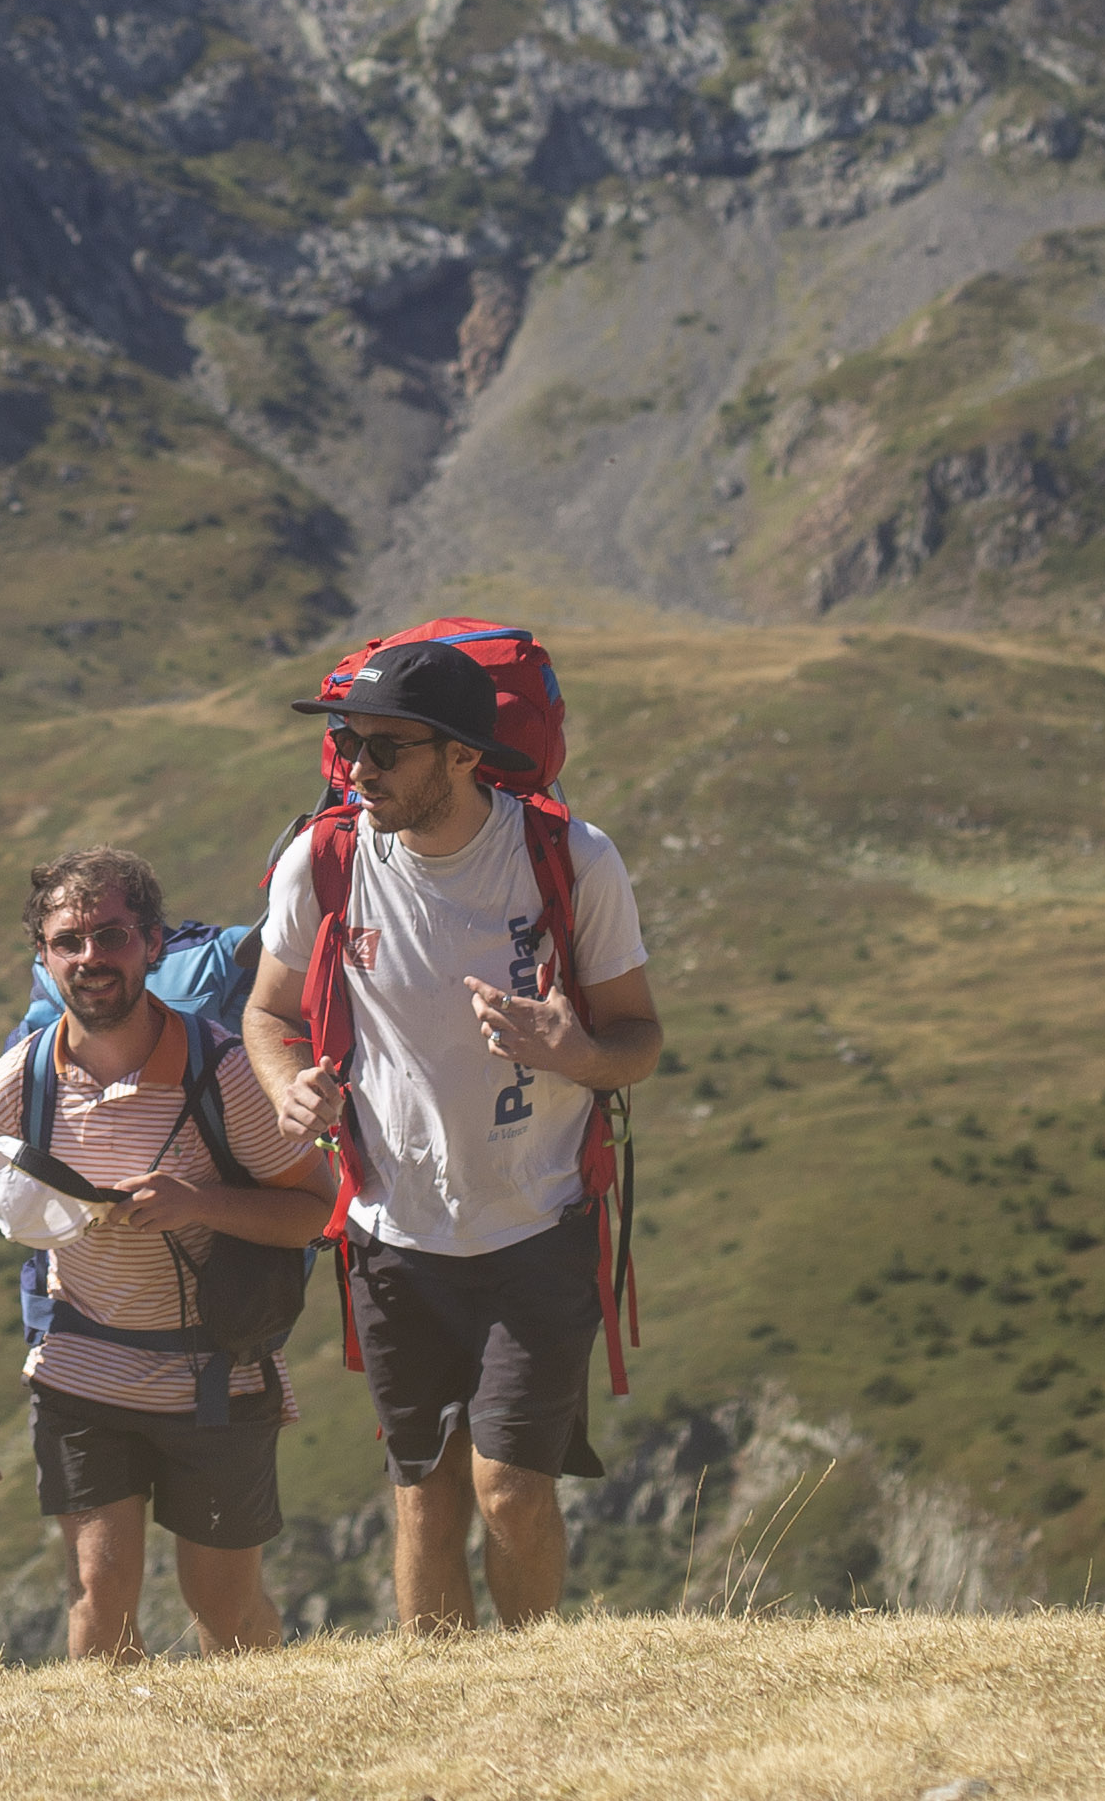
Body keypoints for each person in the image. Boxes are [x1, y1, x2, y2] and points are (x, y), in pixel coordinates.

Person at [238, 636, 661, 1635]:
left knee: (510, 1489)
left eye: (386, 748)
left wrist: (576, 1052)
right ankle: (444, 1703)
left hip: (539, 1224)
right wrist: (290, 1087)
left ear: (466, 755)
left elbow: (638, 1040)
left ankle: (531, 1683)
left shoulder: (571, 860)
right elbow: (268, 1014)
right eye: (348, 744)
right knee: (425, 1499)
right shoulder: (324, 860)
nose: (357, 768)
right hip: (394, 1235)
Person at [0, 847, 333, 1661]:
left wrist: (199, 1204)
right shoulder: (14, 1086)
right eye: (67, 942)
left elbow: (316, 1213)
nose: (90, 958)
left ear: (152, 943)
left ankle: (265, 1732)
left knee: (225, 1613)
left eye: (110, 936)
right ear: (42, 957)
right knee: (96, 1601)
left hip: (218, 1379)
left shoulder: (225, 1075)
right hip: (81, 1377)